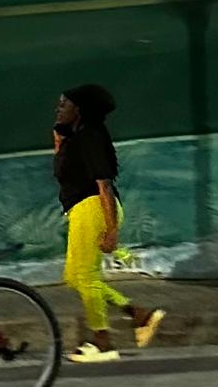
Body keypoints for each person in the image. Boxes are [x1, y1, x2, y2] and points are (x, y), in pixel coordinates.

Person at [54, 84, 164, 360]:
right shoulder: (75, 137)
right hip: (81, 210)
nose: (58, 108)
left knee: (87, 278)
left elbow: (103, 183)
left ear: (78, 110)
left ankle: (103, 342)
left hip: (94, 208)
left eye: (64, 104)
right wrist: (59, 136)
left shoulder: (90, 136)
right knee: (73, 278)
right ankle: (137, 314)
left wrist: (111, 229)